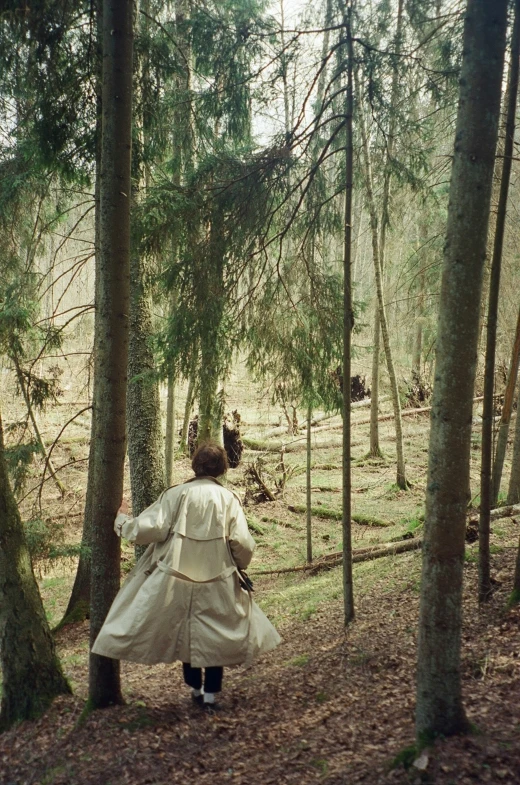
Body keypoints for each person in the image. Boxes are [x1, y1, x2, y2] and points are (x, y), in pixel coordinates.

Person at [92, 441, 281, 710]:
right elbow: (243, 544)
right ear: (221, 469)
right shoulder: (229, 499)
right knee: (214, 637)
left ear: (196, 465)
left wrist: (122, 521)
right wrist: (240, 564)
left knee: (188, 635)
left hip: (175, 580)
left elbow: (147, 529)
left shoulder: (175, 495)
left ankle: (196, 690)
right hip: (219, 580)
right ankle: (211, 696)